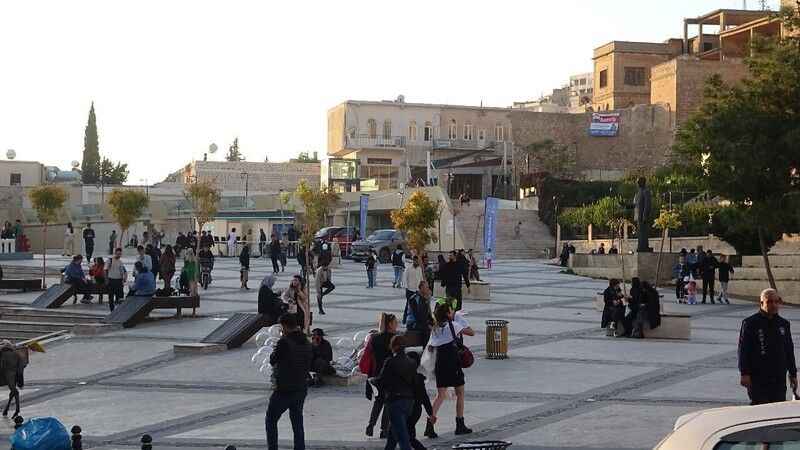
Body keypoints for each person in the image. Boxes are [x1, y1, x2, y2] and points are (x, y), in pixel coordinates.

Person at [739, 288, 797, 405]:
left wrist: (793, 374)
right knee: (760, 408)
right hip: (758, 377)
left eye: (776, 301)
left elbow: (789, 350)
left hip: (778, 377)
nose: (774, 305)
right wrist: (744, 373)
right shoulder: (750, 323)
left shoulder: (784, 324)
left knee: (778, 407)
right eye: (769, 302)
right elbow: (743, 350)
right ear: (761, 303)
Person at [426, 302, 474, 438]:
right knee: (460, 393)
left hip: (439, 364)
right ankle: (460, 424)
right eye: (451, 310)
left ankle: (430, 425)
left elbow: (431, 346)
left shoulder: (435, 329)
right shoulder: (454, 325)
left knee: (440, 395)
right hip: (452, 363)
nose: (453, 311)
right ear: (448, 314)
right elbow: (471, 332)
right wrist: (460, 320)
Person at [265, 313, 312, 450]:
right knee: (297, 421)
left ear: (285, 326)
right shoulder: (306, 342)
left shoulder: (284, 342)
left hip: (284, 389)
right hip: (301, 387)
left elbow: (273, 359)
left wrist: (278, 344)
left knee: (271, 419)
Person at [370, 335, 417, 450]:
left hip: (395, 401)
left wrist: (372, 380)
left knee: (402, 437)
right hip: (409, 401)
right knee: (393, 435)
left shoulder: (390, 361)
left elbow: (382, 381)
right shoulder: (412, 362)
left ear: (394, 347)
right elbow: (414, 382)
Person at [365, 313, 398, 439]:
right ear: (389, 324)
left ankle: (371, 424)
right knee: (388, 402)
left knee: (378, 400)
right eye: (395, 322)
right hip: (390, 374)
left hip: (377, 373)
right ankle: (384, 429)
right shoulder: (394, 339)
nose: (397, 325)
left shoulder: (375, 338)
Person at [405, 351, 435, 450]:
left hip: (410, 411)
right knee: (407, 434)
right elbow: (425, 398)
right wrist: (430, 414)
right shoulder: (417, 378)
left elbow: (425, 398)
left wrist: (431, 414)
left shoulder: (408, 378)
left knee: (407, 436)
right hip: (414, 411)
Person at [406, 280, 434, 345]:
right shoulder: (414, 299)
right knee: (427, 330)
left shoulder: (425, 298)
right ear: (421, 288)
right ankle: (425, 348)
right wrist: (428, 325)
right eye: (426, 287)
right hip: (413, 323)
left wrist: (433, 323)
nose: (428, 289)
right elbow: (418, 316)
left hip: (421, 321)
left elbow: (428, 314)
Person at [1, 340, 22, 418]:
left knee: (14, 391)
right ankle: (12, 409)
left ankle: (17, 410)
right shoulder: (16, 353)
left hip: (9, 372)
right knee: (13, 391)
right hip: (14, 372)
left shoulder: (4, 353)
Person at [402, 256, 424, 325]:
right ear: (413, 260)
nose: (417, 262)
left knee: (417, 305)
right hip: (410, 290)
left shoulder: (419, 269)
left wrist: (422, 288)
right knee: (408, 305)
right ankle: (404, 319)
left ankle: (416, 320)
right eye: (415, 261)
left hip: (417, 290)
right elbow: (405, 278)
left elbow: (421, 278)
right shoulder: (408, 268)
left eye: (418, 261)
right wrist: (406, 287)